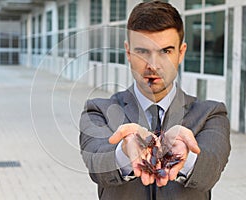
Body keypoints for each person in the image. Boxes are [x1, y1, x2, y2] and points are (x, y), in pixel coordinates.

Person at [79, 1, 231, 199]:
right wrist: (125, 151)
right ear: (128, 53)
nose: (153, 65)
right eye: (142, 51)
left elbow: (211, 169)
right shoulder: (98, 111)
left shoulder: (211, 114)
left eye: (165, 51)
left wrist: (185, 157)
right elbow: (97, 164)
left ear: (181, 53)